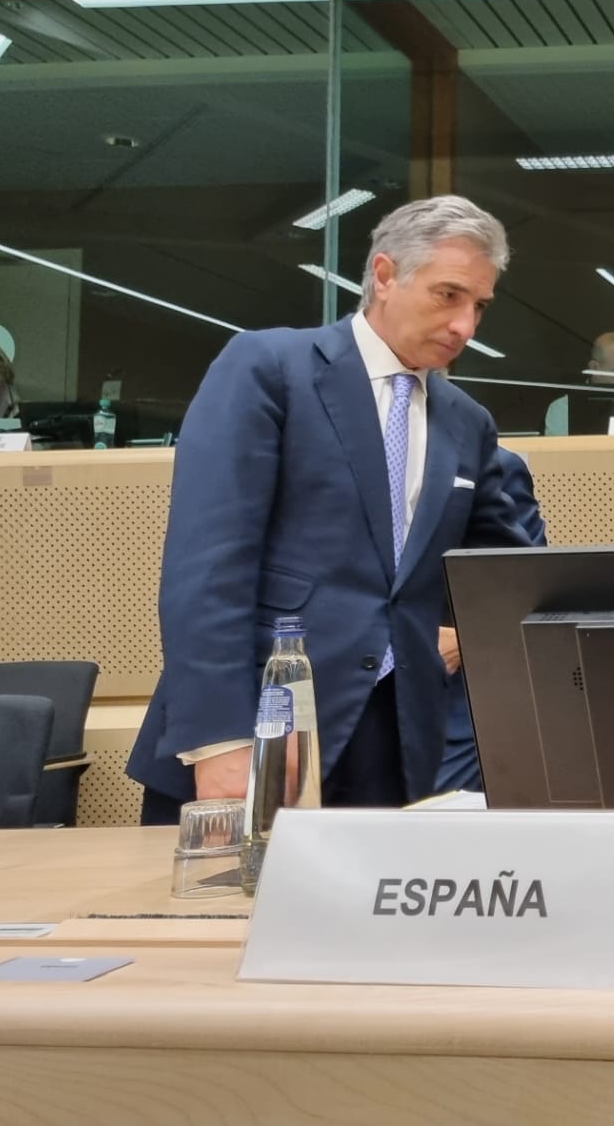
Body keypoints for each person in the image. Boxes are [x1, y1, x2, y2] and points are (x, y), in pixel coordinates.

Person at [127, 196, 536, 824]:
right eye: (448, 295)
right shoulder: (270, 369)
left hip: (397, 747)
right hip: (263, 729)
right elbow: (208, 565)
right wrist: (221, 739)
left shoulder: (467, 422)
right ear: (385, 275)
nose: (465, 326)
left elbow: (502, 574)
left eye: (479, 305)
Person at [435, 445, 548, 794]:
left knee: (434, 813)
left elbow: (529, 589)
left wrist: (465, 641)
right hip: (356, 695)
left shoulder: (493, 466)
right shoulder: (345, 465)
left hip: (458, 693)